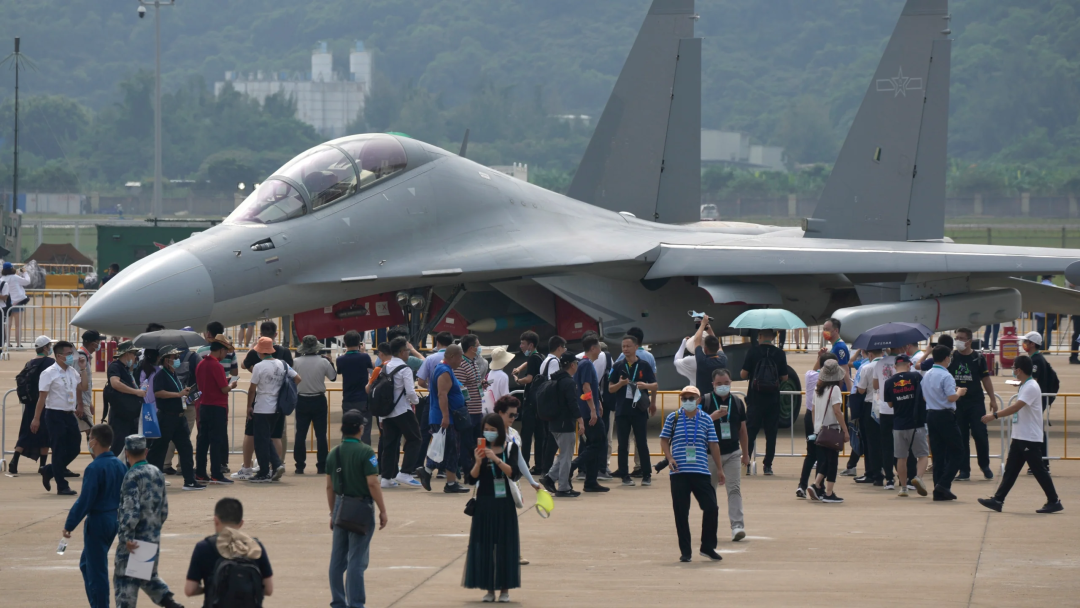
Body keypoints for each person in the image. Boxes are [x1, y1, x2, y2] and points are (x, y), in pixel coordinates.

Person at [978, 356, 1063, 514]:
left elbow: (1015, 407)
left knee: (1038, 470)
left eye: (1014, 367)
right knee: (1011, 470)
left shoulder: (1031, 386)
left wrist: (994, 416)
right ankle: (998, 499)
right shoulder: (1025, 385)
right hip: (1020, 436)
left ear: (1020, 370)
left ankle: (1054, 500)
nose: (1013, 370)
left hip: (1028, 437)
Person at [113, 435, 184, 608]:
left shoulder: (131, 476)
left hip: (134, 538)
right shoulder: (157, 473)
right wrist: (154, 528)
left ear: (127, 453)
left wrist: (126, 537)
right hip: (151, 534)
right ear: (146, 451)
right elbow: (164, 509)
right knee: (144, 576)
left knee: (125, 581)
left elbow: (131, 509)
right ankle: (171, 604)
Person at [327, 410, 388, 608]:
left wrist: (332, 512)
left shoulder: (334, 453)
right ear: (361, 429)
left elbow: (329, 487)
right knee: (356, 559)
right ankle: (356, 603)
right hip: (360, 508)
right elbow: (373, 483)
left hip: (340, 505)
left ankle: (338, 601)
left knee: (337, 559)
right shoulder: (366, 452)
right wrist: (382, 510)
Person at [63, 424, 128, 608]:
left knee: (97, 571)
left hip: (98, 521)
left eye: (90, 437)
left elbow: (86, 500)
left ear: (95, 441)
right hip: (114, 519)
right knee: (86, 564)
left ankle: (100, 605)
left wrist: (70, 523)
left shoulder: (94, 467)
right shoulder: (119, 465)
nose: (88, 441)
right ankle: (97, 603)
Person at [660, 386, 724, 562]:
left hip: (701, 471)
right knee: (681, 513)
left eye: (691, 398)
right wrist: (669, 457)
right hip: (679, 472)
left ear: (698, 400)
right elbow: (664, 440)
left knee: (711, 507)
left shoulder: (705, 419)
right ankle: (685, 551)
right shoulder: (674, 417)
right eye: (685, 398)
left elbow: (713, 445)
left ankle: (707, 546)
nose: (688, 401)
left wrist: (719, 469)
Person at [463, 413, 522, 602]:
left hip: (504, 503)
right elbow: (471, 478)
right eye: (485, 430)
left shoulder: (510, 448)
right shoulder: (479, 449)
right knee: (485, 546)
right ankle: (489, 589)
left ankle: (505, 589)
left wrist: (496, 459)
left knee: (505, 546)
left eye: (492, 430)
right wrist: (479, 461)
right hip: (485, 503)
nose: (488, 433)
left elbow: (514, 473)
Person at [184, 498, 274, 607]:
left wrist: (211, 588)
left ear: (216, 520)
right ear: (241, 523)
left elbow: (190, 590)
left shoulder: (204, 547)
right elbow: (268, 589)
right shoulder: (254, 546)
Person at [237, 322, 293, 479]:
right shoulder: (284, 353)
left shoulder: (256, 353)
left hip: (260, 402)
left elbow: (244, 365)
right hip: (279, 402)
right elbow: (293, 375)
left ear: (260, 334)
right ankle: (275, 466)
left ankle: (248, 467)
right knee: (276, 436)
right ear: (276, 334)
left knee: (251, 433)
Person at [146, 346, 202, 491]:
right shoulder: (161, 375)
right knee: (159, 450)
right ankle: (153, 479)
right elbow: (158, 393)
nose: (176, 360)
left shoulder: (174, 374)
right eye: (173, 357)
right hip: (166, 417)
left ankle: (189, 481)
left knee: (186, 448)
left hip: (179, 417)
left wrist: (184, 393)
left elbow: (177, 392)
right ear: (166, 360)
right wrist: (178, 394)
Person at [31, 340, 82, 496]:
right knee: (58, 450)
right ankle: (62, 486)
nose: (71, 357)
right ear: (59, 356)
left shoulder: (72, 372)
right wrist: (36, 418)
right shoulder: (49, 373)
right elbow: (42, 397)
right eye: (68, 354)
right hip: (54, 414)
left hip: (69, 414)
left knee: (75, 447)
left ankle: (49, 470)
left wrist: (80, 405)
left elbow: (79, 388)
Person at [246, 337, 300, 483]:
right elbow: (297, 378)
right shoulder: (282, 364)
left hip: (262, 406)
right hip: (277, 407)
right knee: (267, 438)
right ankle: (276, 465)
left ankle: (265, 471)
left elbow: (252, 389)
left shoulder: (259, 366)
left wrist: (249, 406)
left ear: (259, 351)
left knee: (261, 441)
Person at [419, 344, 471, 493]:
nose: (462, 360)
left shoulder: (446, 370)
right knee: (449, 449)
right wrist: (446, 417)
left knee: (447, 448)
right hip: (445, 417)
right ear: (452, 356)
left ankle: (437, 475)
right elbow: (442, 394)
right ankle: (442, 479)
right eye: (460, 357)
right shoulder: (444, 371)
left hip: (445, 416)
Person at [705, 369, 749, 540]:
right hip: (709, 454)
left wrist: (745, 454)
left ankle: (737, 526)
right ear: (713, 384)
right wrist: (712, 417)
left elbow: (743, 431)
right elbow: (697, 425)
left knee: (734, 489)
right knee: (709, 491)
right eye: (719, 383)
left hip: (732, 453)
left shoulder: (737, 403)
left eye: (726, 383)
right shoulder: (706, 401)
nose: (723, 386)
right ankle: (710, 527)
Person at [950, 327, 999, 481]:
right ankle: (964, 470)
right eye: (956, 337)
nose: (958, 340)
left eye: (961, 338)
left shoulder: (978, 358)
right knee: (961, 436)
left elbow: (985, 379)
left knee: (980, 434)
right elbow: (947, 378)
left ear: (969, 341)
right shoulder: (952, 357)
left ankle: (984, 465)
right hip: (959, 403)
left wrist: (992, 399)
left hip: (975, 402)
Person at [609, 334, 657, 487]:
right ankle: (624, 475)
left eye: (628, 346)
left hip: (639, 410)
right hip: (623, 410)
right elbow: (610, 388)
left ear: (636, 347)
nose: (625, 349)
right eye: (623, 346)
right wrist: (621, 384)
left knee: (641, 442)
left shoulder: (644, 365)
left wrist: (645, 386)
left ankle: (646, 474)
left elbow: (655, 385)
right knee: (623, 444)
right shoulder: (617, 366)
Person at [376, 337, 423, 488]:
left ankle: (386, 477)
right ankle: (405, 472)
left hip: (387, 412)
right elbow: (410, 392)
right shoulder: (405, 369)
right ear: (402, 352)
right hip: (403, 410)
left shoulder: (385, 367)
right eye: (408, 350)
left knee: (390, 444)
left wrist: (382, 416)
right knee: (415, 439)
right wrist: (416, 401)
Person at [740, 328, 788, 476]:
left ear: (760, 336)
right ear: (774, 337)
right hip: (773, 399)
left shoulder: (753, 352)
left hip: (755, 398)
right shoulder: (779, 354)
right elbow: (785, 377)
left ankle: (746, 463)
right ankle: (768, 466)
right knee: (771, 433)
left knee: (750, 432)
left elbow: (743, 374)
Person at [923, 345, 968, 501]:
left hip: (931, 414)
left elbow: (924, 396)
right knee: (958, 451)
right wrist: (959, 392)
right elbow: (951, 397)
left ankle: (939, 489)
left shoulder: (927, 374)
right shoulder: (946, 375)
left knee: (938, 454)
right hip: (945, 415)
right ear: (946, 358)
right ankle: (944, 483)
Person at [6, 335, 55, 477]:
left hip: (30, 404)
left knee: (26, 433)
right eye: (49, 346)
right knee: (45, 435)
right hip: (44, 402)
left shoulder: (30, 363)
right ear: (45, 348)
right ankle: (43, 466)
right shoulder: (50, 363)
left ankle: (14, 460)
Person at [883, 354, 930, 498]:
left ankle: (903, 488)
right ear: (909, 365)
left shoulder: (889, 382)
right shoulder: (916, 378)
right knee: (922, 455)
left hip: (898, 424)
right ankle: (918, 477)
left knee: (901, 457)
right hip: (916, 424)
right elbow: (924, 396)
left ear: (895, 366)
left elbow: (890, 404)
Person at [194, 336, 238, 485]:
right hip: (217, 407)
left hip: (204, 405)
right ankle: (216, 474)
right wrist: (231, 385)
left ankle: (200, 472)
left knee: (203, 441)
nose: (226, 355)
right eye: (225, 352)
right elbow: (224, 389)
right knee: (216, 441)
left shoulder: (201, 364)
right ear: (220, 350)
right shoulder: (217, 366)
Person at [539, 353, 583, 497]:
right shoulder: (569, 382)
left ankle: (550, 477)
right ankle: (563, 487)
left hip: (554, 423)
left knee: (563, 454)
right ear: (572, 365)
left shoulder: (556, 380)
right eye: (576, 363)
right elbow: (572, 403)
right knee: (566, 456)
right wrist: (580, 419)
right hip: (565, 424)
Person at [805, 360, 849, 504]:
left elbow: (813, 411)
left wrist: (816, 427)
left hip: (820, 430)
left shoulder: (818, 390)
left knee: (824, 461)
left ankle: (816, 484)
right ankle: (828, 493)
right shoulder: (834, 390)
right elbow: (837, 411)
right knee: (832, 462)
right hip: (831, 429)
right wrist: (845, 430)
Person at [293, 335, 337, 475]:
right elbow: (333, 377)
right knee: (321, 434)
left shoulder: (296, 362)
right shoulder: (323, 362)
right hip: (318, 399)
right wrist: (331, 363)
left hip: (302, 399)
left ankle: (300, 465)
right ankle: (321, 465)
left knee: (300, 433)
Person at [570, 336, 608, 492]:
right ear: (593, 348)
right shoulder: (586, 364)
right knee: (598, 444)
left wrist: (597, 402)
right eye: (599, 347)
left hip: (587, 410)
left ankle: (590, 481)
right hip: (588, 412)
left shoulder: (584, 364)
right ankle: (574, 465)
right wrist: (592, 409)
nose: (601, 351)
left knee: (594, 445)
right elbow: (586, 388)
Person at [1021, 330, 1058, 474]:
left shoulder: (1035, 360)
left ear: (1032, 344)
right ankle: (1039, 463)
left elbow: (1032, 382)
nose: (1024, 344)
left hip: (1035, 401)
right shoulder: (1035, 358)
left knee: (1037, 432)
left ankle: (1042, 463)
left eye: (1026, 342)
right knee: (1036, 431)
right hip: (1037, 400)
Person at [798, 352, 834, 498]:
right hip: (823, 418)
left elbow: (814, 370)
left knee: (811, 453)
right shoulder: (830, 381)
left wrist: (819, 358)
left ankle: (802, 485)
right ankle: (819, 486)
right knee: (823, 455)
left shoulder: (810, 376)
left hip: (809, 416)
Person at [512, 331, 545, 473]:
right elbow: (529, 362)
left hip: (530, 403)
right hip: (539, 403)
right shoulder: (540, 356)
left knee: (526, 435)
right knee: (540, 435)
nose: (521, 346)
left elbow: (529, 378)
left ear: (530, 345)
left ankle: (523, 464)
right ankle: (539, 465)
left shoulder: (533, 358)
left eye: (523, 344)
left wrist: (518, 380)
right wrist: (519, 368)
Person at [107, 341, 147, 456]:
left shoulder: (127, 369)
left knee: (132, 446)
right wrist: (136, 392)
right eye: (134, 354)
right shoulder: (115, 366)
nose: (135, 357)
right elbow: (115, 383)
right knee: (118, 445)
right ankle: (113, 470)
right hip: (120, 414)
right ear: (127, 354)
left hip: (130, 414)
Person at [336, 330, 376, 441]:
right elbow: (371, 369)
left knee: (348, 429)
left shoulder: (340, 359)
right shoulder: (364, 357)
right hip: (363, 398)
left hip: (348, 398)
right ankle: (364, 454)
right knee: (365, 429)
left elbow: (339, 371)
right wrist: (363, 352)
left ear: (345, 343)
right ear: (359, 343)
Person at [854, 349, 884, 485]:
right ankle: (886, 472)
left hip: (870, 405)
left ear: (870, 354)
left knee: (869, 441)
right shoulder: (888, 366)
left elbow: (861, 389)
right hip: (885, 405)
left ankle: (872, 472)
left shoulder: (866, 367)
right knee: (884, 440)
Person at [872, 348, 899, 489]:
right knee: (902, 445)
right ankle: (904, 475)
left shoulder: (879, 363)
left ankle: (889, 478)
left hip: (884, 408)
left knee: (886, 446)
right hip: (899, 408)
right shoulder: (901, 362)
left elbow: (875, 385)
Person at [76, 330, 103, 446]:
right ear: (93, 344)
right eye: (98, 342)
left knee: (88, 433)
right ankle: (97, 461)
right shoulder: (81, 357)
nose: (99, 345)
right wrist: (81, 404)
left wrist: (89, 402)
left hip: (83, 401)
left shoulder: (85, 356)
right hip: (80, 402)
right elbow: (77, 382)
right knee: (91, 433)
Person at [691, 314, 728, 398]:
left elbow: (696, 340)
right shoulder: (723, 360)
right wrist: (709, 329)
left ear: (706, 349)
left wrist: (703, 324)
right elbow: (719, 346)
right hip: (719, 398)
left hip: (704, 399)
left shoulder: (702, 361)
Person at [2, 262, 32, 347]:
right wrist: (25, 272)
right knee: (18, 325)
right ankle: (18, 344)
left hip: (7, 304)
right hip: (18, 303)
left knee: (7, 325)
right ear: (12, 268)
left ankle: (7, 343)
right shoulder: (15, 277)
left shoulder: (2, 278)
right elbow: (27, 281)